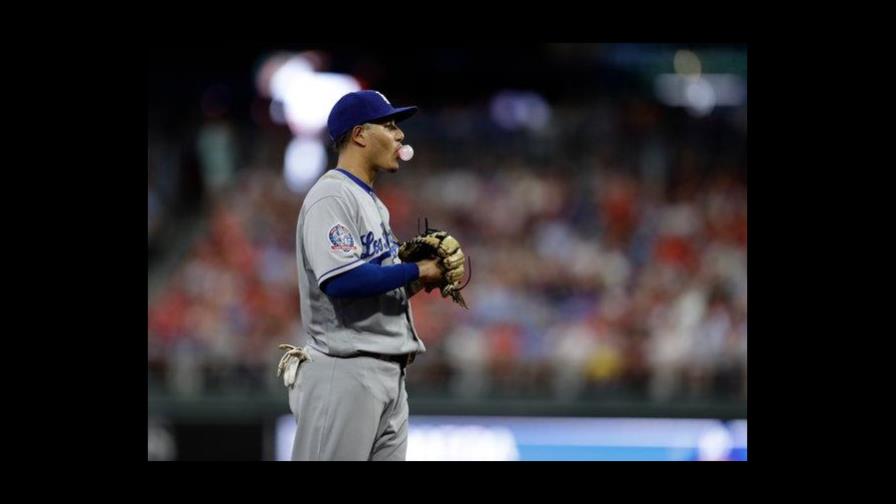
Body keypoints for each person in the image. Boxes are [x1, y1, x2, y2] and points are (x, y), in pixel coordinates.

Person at [279, 90, 445, 461]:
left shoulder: (371, 203)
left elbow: (373, 287)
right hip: (345, 373)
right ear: (359, 135)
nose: (400, 135)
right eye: (388, 125)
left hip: (387, 375)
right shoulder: (331, 196)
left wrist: (417, 281)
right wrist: (417, 268)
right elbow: (342, 281)